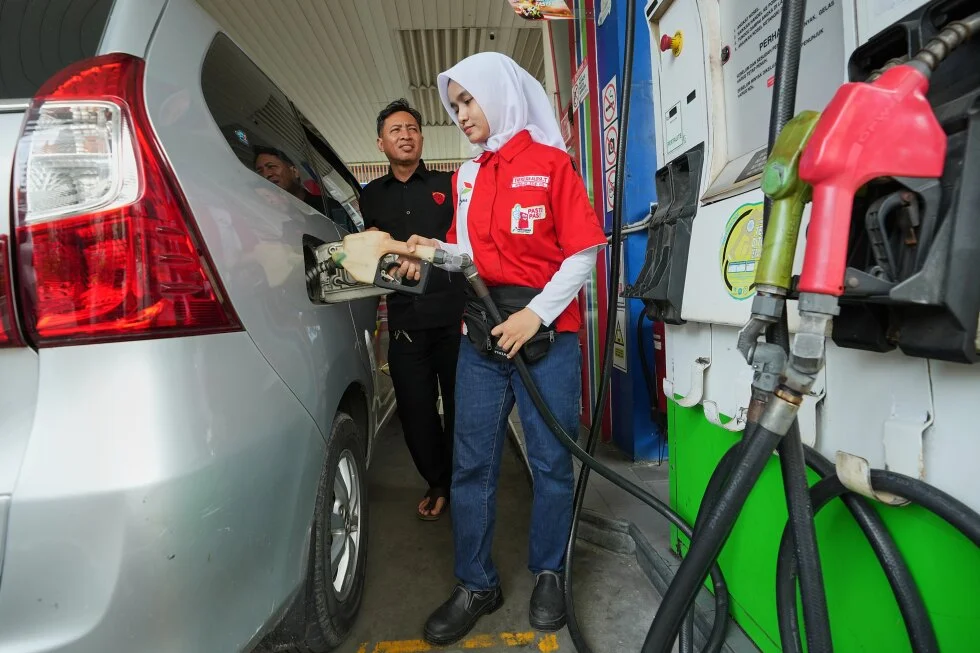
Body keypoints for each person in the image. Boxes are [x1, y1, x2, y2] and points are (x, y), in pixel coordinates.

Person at [399, 53, 607, 645]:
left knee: (550, 463)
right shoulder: (467, 175)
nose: (461, 115)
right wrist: (429, 253)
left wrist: (534, 315)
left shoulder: (552, 164)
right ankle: (476, 584)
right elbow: (466, 256)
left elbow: (584, 251)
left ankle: (550, 572)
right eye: (454, 106)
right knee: (471, 464)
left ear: (499, 93)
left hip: (546, 337)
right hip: (482, 337)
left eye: (468, 100)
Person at [358, 99, 468, 520]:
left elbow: (465, 242)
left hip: (454, 319)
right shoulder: (370, 196)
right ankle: (437, 480)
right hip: (404, 321)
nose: (405, 135)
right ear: (380, 143)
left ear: (422, 137)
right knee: (415, 411)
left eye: (412, 128)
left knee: (461, 408)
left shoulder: (449, 185)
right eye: (396, 130)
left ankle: (460, 483)